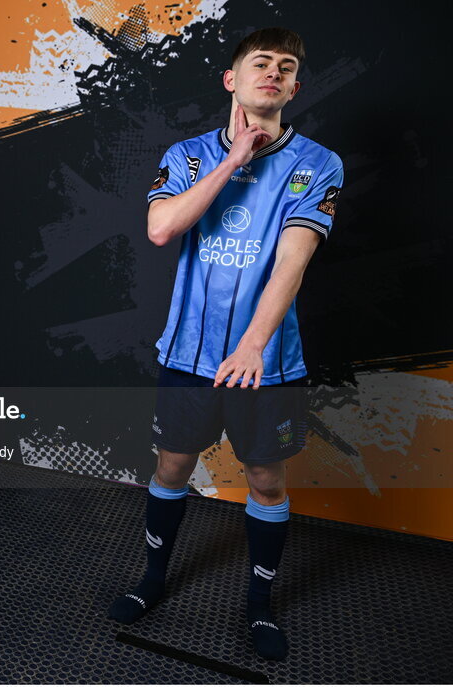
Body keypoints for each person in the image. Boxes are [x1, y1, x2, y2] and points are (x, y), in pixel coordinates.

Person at [108, 28, 343, 662]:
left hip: (265, 363)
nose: (274, 72)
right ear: (231, 80)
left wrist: (253, 345)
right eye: (260, 63)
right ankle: (153, 581)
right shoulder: (186, 155)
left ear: (294, 87)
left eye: (286, 67)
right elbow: (162, 228)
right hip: (186, 355)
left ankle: (259, 607)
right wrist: (234, 159)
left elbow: (291, 265)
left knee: (265, 480)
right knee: (171, 470)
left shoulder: (318, 163)